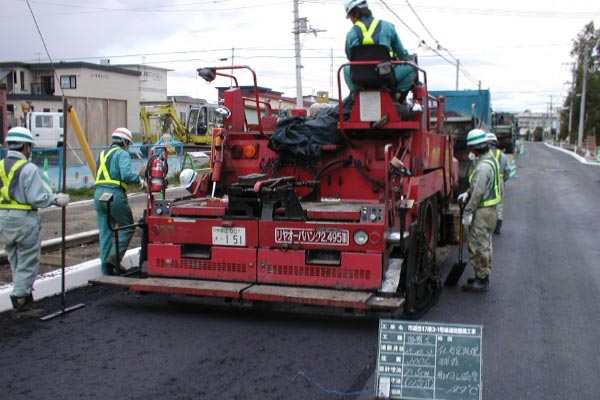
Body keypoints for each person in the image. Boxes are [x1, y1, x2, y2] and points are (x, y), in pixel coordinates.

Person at [0, 127, 70, 319]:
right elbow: (37, 198)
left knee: (15, 259)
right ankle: (21, 303)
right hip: (23, 219)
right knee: (28, 261)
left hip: (3, 219)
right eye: (30, 147)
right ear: (25, 146)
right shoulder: (28, 168)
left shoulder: (0, 166)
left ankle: (24, 297)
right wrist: (56, 199)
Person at [94, 127, 145, 275]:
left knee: (105, 234)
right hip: (114, 194)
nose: (128, 146)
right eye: (128, 143)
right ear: (124, 142)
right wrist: (140, 181)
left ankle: (106, 272)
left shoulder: (102, 154)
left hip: (98, 195)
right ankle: (114, 258)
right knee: (128, 226)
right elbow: (126, 174)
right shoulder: (122, 154)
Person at [343, 0, 417, 99]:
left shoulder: (351, 34)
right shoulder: (388, 26)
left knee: (346, 69)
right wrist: (406, 60)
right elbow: (402, 53)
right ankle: (396, 98)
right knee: (412, 66)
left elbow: (350, 57)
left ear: (355, 13)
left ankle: (357, 97)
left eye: (350, 17)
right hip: (385, 76)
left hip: (360, 78)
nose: (351, 20)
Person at [457, 129, 501, 292]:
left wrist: (467, 212)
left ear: (475, 148)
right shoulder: (491, 161)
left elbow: (478, 194)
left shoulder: (483, 167)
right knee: (486, 244)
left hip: (482, 213)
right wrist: (466, 193)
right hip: (491, 211)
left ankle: (481, 280)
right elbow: (476, 188)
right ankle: (482, 275)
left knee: (478, 245)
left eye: (471, 148)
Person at [487, 133, 511, 234]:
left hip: (488, 181)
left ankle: (487, 225)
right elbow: (508, 171)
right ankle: (498, 226)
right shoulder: (503, 156)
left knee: (487, 204)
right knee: (499, 204)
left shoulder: (485, 155)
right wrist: (503, 180)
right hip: (500, 181)